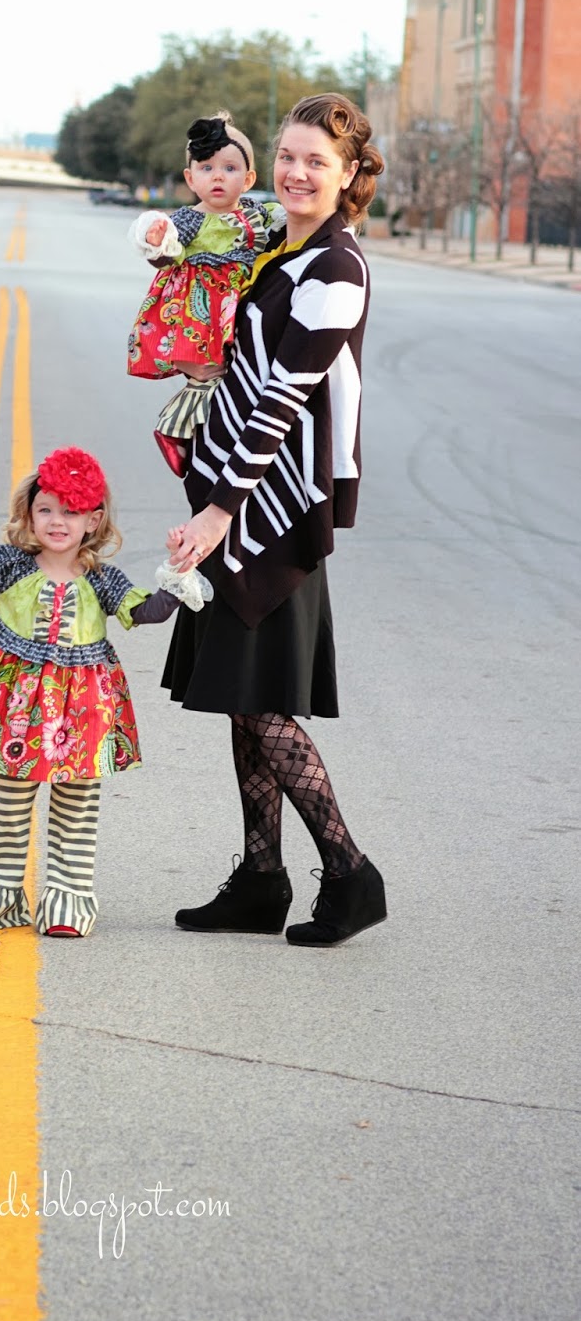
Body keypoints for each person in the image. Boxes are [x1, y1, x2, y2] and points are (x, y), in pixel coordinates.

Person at [163, 93, 387, 947]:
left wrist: (223, 508)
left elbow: (288, 397)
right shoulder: (281, 251)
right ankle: (261, 879)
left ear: (349, 175)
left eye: (317, 162)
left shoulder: (335, 268)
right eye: (288, 156)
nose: (297, 173)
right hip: (235, 489)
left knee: (263, 703)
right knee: (241, 694)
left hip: (275, 506)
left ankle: (349, 872)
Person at [0, 447, 210, 937]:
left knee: (76, 800)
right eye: (46, 510)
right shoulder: (13, 563)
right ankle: (0, 890)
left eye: (71, 512)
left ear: (93, 520)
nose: (58, 522)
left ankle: (68, 896)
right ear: (29, 514)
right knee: (13, 798)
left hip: (82, 703)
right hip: (20, 707)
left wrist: (180, 572)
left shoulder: (100, 577)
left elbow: (147, 613)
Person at [127, 113, 284, 475]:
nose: (217, 176)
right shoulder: (189, 219)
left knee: (238, 378)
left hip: (242, 303)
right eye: (206, 166)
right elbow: (166, 251)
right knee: (205, 373)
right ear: (190, 178)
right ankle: (176, 431)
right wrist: (157, 239)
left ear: (248, 179)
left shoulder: (258, 214)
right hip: (199, 310)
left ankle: (221, 436)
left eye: (229, 168)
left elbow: (291, 228)